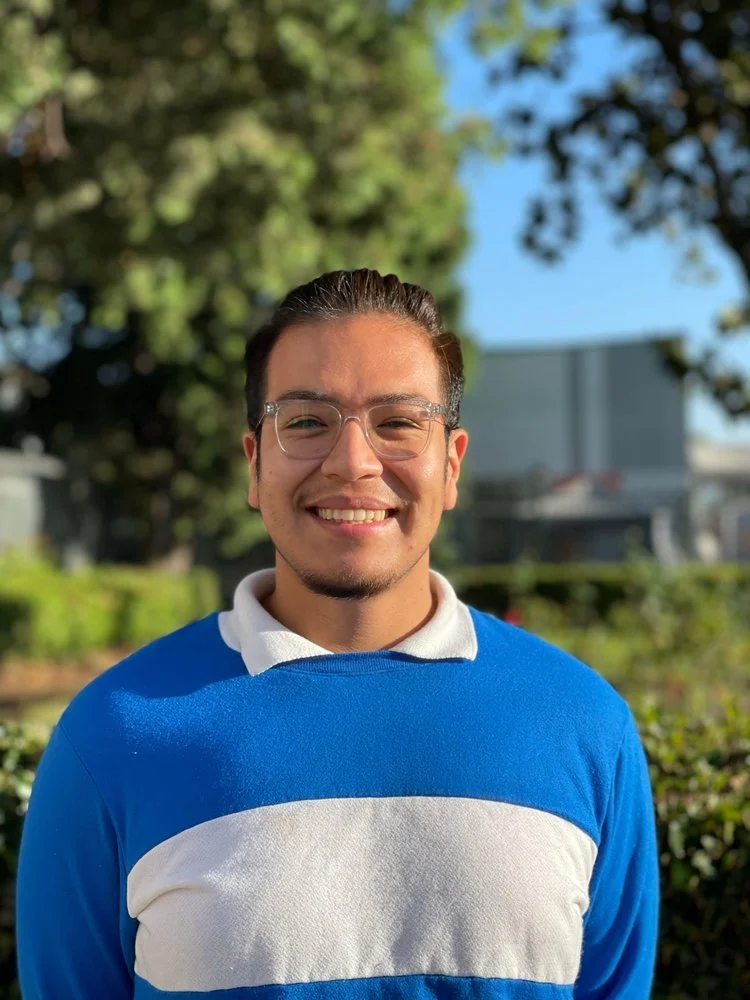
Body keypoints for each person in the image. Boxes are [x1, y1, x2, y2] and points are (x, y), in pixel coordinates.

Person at [16, 269, 659, 999]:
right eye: (307, 421)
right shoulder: (109, 735)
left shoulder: (585, 726)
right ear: (255, 464)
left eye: (397, 422)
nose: (352, 462)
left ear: (451, 465)